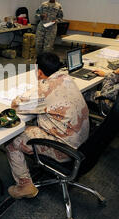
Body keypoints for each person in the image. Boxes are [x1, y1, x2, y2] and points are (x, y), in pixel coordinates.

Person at [5, 52, 89, 199]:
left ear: (39, 72)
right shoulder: (67, 78)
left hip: (66, 150)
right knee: (36, 122)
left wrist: (38, 85)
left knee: (12, 140)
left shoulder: (45, 90)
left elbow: (16, 105)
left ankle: (25, 186)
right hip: (83, 141)